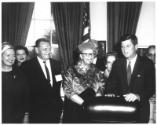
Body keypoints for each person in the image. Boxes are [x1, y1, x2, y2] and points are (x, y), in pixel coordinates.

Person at [106, 34, 155, 123]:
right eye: (122, 47)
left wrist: (138, 96)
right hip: (120, 110)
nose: (125, 50)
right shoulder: (117, 64)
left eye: (128, 46)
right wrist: (110, 93)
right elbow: (110, 85)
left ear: (136, 47)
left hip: (140, 111)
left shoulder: (147, 64)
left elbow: (151, 88)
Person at [20, 38, 63, 123]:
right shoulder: (27, 66)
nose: (48, 51)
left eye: (49, 48)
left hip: (55, 111)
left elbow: (58, 85)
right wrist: (26, 113)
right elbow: (24, 92)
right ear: (37, 50)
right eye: (44, 49)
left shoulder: (57, 64)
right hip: (37, 111)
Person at [62, 40, 105, 123]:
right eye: (87, 54)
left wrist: (95, 103)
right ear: (81, 56)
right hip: (75, 107)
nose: (90, 57)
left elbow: (101, 87)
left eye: (92, 54)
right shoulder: (71, 70)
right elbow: (68, 90)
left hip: (91, 107)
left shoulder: (97, 71)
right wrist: (84, 104)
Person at [2, 42, 29, 123]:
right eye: (8, 55)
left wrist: (26, 115)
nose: (12, 58)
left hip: (17, 117)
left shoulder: (20, 74)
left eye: (13, 55)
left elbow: (26, 96)